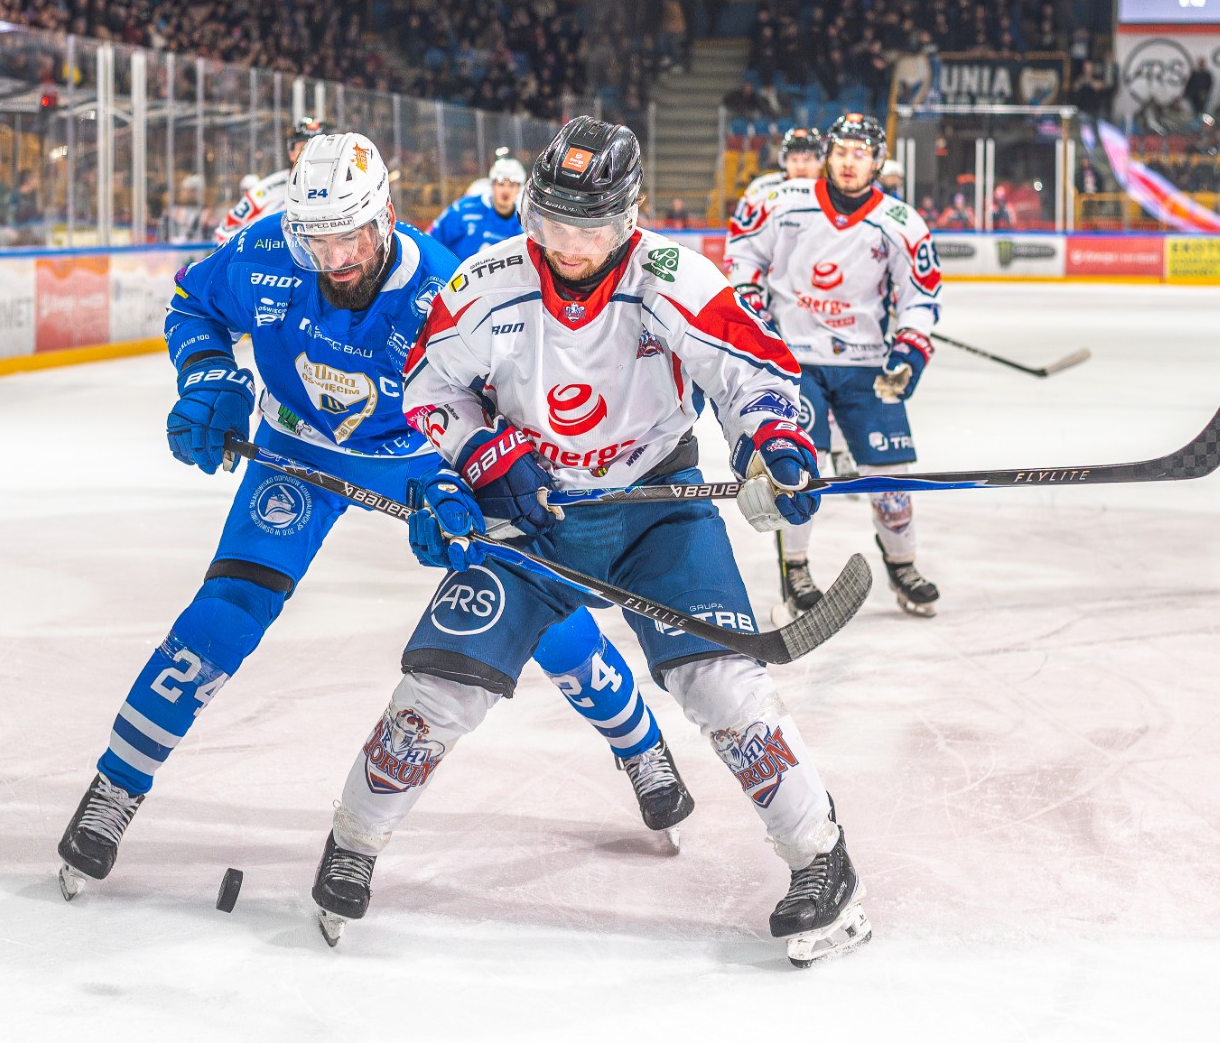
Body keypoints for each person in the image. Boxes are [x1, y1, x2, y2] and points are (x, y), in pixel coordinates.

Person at [56, 132, 694, 901]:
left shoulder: (440, 292)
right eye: (318, 239)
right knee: (223, 612)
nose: (337, 258)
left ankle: (640, 744)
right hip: (299, 448)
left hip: (423, 457)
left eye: (352, 235)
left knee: (538, 607)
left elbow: (495, 408)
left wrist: (466, 483)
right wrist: (209, 378)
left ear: (386, 216)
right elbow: (195, 302)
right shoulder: (265, 253)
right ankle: (115, 788)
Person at [309, 116, 871, 967]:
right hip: (535, 516)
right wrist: (486, 452)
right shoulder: (489, 280)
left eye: (593, 228)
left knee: (721, 683)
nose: (571, 247)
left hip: (659, 505)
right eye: (554, 224)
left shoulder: (676, 277)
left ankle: (821, 861)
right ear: (530, 212)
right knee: (439, 686)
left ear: (629, 218)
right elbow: (428, 388)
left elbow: (751, 368)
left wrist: (775, 442)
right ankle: (353, 838)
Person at [726, 112, 943, 621]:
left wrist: (910, 350)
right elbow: (743, 259)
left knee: (892, 475)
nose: (849, 163)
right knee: (798, 469)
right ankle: (796, 572)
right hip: (794, 361)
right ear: (829, 155)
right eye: (841, 152)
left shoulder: (900, 223)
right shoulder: (782, 203)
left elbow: (921, 296)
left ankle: (903, 564)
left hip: (867, 364)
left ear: (877, 161)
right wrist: (753, 306)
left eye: (860, 154)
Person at [729, 125, 857, 486]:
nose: (801, 165)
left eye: (809, 158)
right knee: (797, 379)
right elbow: (741, 245)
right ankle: (795, 444)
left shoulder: (837, 193)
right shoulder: (763, 191)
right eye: (795, 158)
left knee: (840, 374)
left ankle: (845, 447)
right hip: (780, 303)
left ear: (821, 160)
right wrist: (749, 294)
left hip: (829, 302)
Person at [214, 117, 331, 244]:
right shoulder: (266, 190)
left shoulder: (345, 187)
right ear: (291, 152)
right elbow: (224, 232)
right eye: (304, 147)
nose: (312, 153)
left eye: (319, 147)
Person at [427, 154, 526, 259]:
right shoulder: (465, 209)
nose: (506, 191)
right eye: (501, 184)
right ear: (492, 185)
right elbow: (432, 238)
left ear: (519, 189)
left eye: (511, 185)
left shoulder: (523, 223)